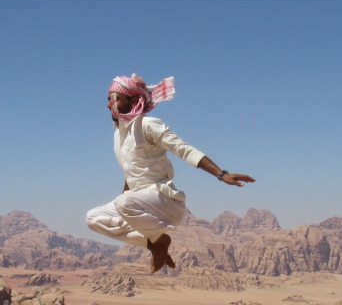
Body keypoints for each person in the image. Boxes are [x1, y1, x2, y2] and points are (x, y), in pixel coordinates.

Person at [85, 74, 255, 273]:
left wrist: (221, 174)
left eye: (115, 99)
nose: (109, 105)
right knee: (93, 218)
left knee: (125, 203)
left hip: (163, 202)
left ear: (133, 101)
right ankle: (155, 245)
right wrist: (126, 203)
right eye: (108, 99)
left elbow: (183, 149)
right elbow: (131, 174)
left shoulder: (148, 125)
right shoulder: (118, 133)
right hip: (139, 204)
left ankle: (161, 239)